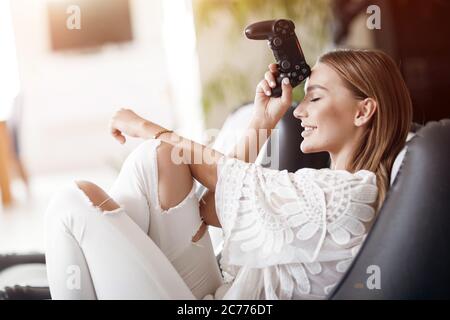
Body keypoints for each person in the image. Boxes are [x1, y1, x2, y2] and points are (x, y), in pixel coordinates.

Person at [44, 49, 413, 299]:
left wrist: (144, 124)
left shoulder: (344, 196)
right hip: (223, 291)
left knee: (71, 207)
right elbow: (210, 206)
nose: (298, 113)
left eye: (314, 99)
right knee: (160, 158)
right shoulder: (324, 188)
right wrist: (262, 121)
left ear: (363, 112)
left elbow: (224, 182)